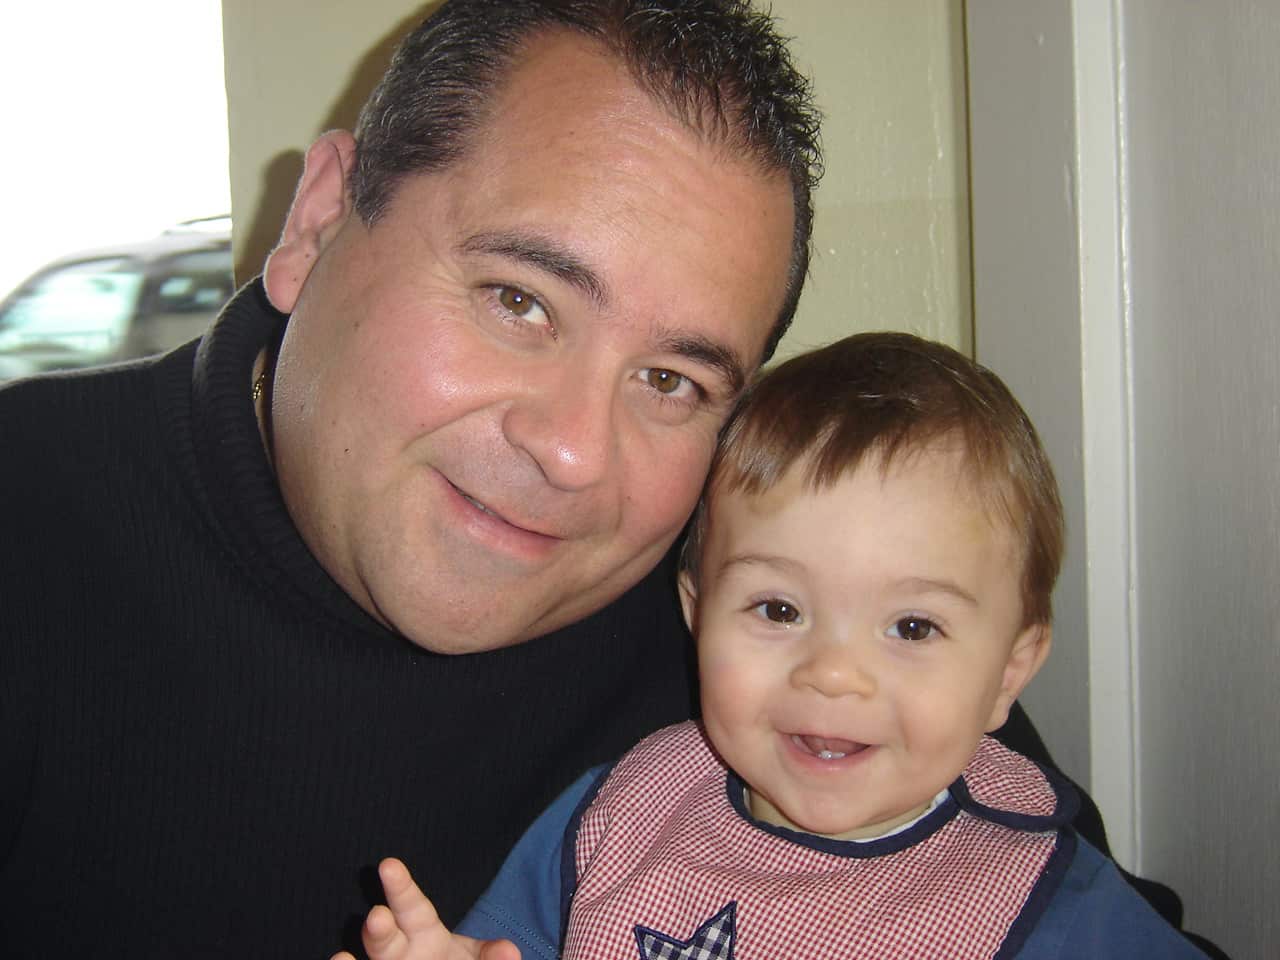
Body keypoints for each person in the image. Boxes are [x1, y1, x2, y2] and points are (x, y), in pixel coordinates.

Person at [0, 1, 1218, 958]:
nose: (575, 453)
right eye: (519, 300)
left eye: (672, 380)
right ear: (318, 219)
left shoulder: (779, 608)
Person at [337, 333, 1209, 960]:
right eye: (778, 609)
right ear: (697, 612)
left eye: (913, 627)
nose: (832, 673)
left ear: (1008, 673)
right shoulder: (621, 815)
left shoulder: (1048, 901)